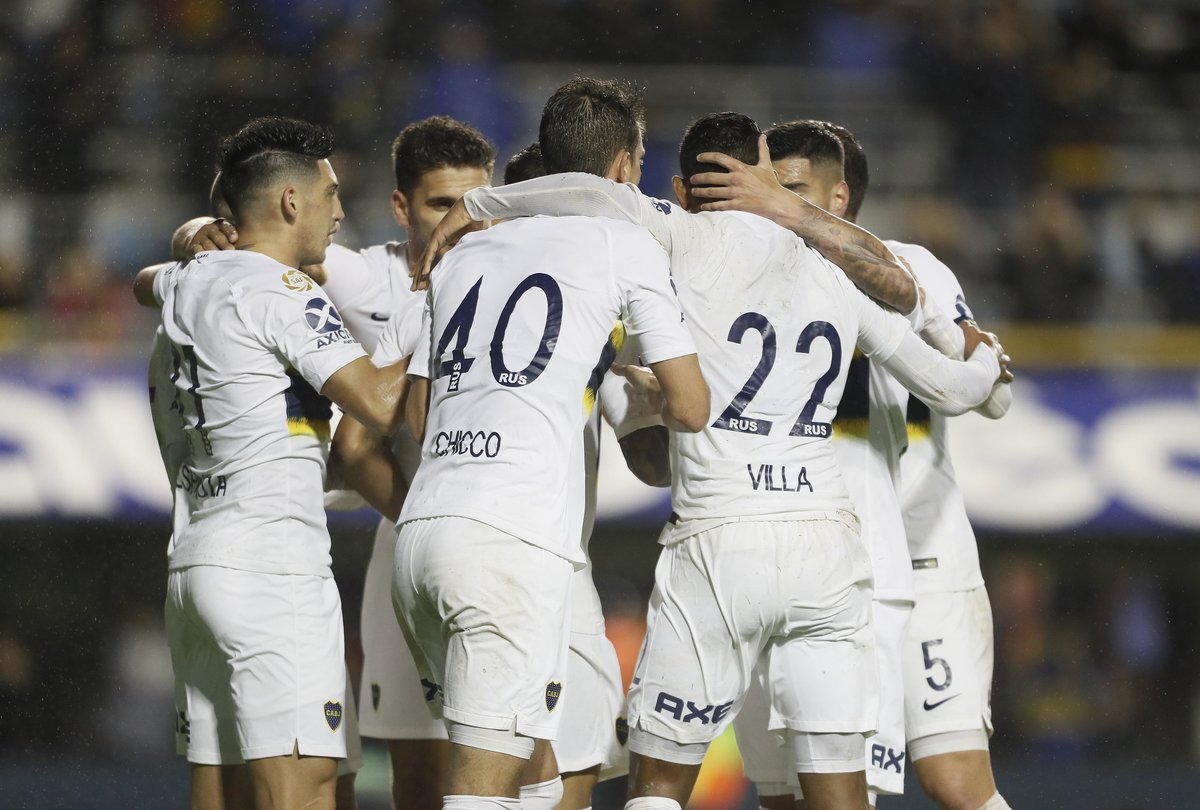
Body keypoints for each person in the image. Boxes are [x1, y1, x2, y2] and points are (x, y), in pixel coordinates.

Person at [419, 109, 1004, 810]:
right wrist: (987, 362)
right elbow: (952, 383)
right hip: (826, 547)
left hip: (719, 542)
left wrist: (480, 206)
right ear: (759, 164)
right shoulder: (837, 272)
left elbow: (592, 193)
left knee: (659, 786)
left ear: (684, 185)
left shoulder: (675, 242)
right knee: (837, 789)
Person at [393, 77, 710, 810]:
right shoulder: (620, 243)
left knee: (536, 770)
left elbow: (419, 413)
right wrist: (648, 389)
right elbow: (691, 408)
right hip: (515, 542)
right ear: (628, 167)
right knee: (483, 790)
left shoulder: (467, 249)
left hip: (425, 532)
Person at [688, 121, 1014, 810]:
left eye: (790, 190)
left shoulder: (907, 265)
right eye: (766, 186)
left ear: (837, 197)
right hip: (809, 553)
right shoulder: (752, 274)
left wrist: (969, 347)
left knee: (954, 781)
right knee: (792, 790)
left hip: (921, 557)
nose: (768, 201)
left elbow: (994, 395)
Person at [183, 115, 498, 810]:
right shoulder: (356, 277)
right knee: (320, 780)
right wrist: (427, 300)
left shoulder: (196, 283)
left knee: (237, 773)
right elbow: (372, 420)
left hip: (208, 549)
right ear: (402, 208)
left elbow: (174, 270)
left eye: (477, 203)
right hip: (293, 559)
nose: (463, 223)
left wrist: (194, 240)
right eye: (442, 205)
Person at [145, 116, 409, 810]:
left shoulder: (188, 278)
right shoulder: (279, 290)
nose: (340, 210)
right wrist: (444, 308)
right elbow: (381, 403)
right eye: (330, 194)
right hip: (271, 567)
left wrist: (188, 232)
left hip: (196, 562)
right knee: (306, 785)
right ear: (291, 202)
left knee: (223, 785)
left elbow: (148, 280)